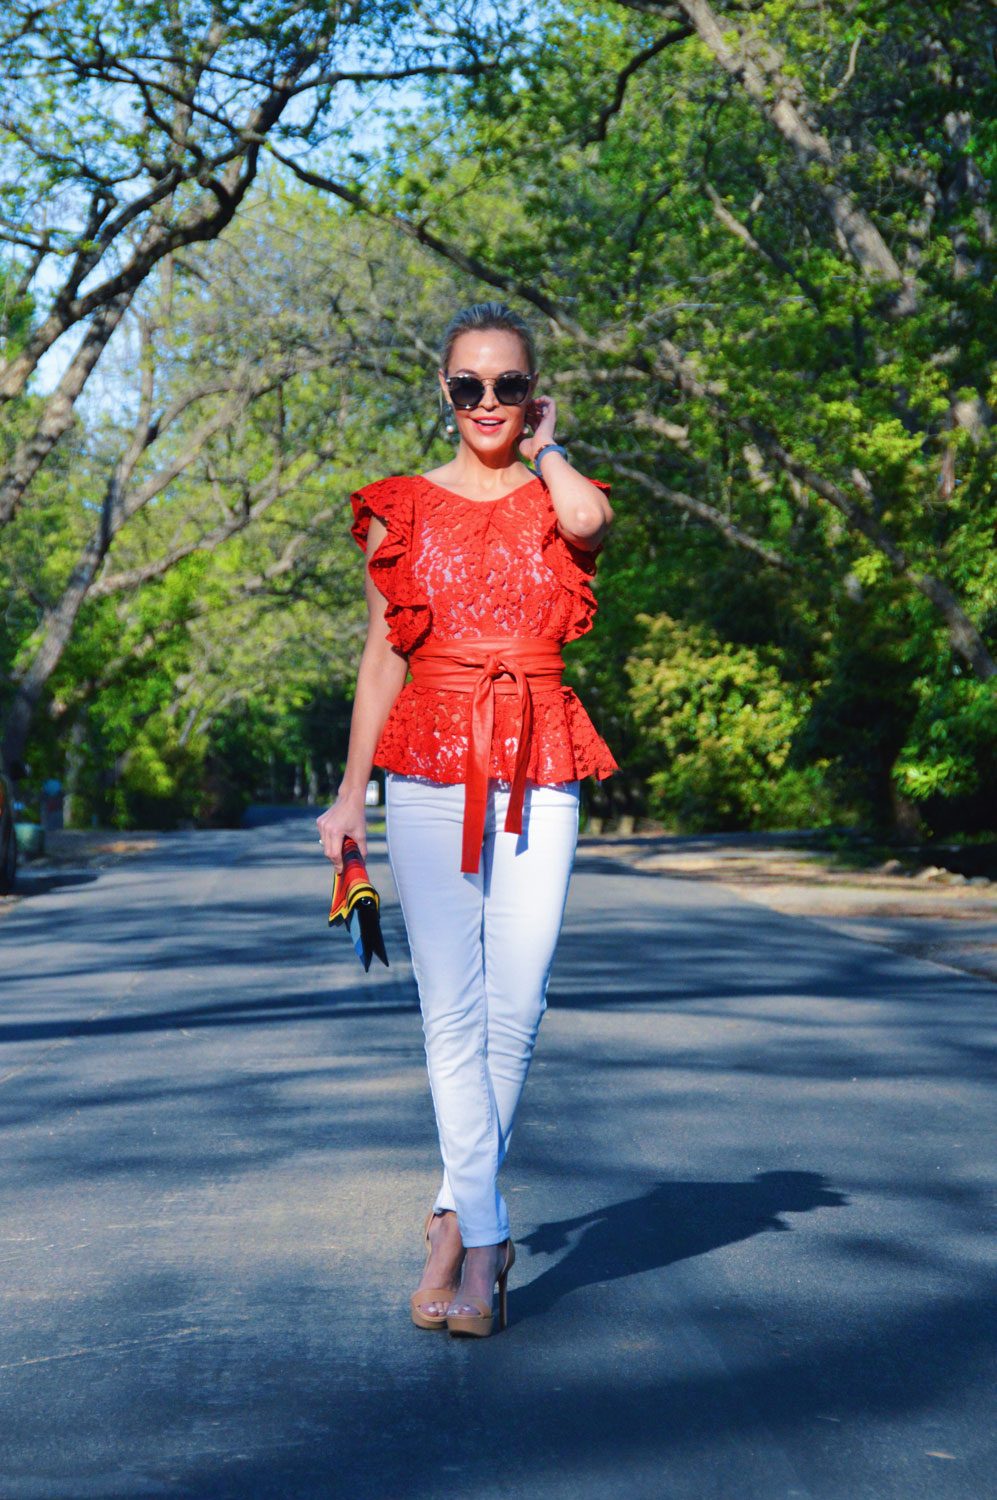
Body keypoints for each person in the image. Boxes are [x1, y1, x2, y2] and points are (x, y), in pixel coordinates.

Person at [317, 301, 616, 1336]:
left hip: (540, 754)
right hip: (431, 761)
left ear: (532, 395)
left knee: (516, 1005)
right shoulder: (397, 508)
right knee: (450, 1006)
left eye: (507, 385)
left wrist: (550, 450)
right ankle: (482, 1241)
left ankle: (452, 1212)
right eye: (467, 386)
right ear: (441, 394)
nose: (486, 402)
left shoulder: (554, 493)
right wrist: (351, 796)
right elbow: (379, 657)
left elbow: (588, 525)